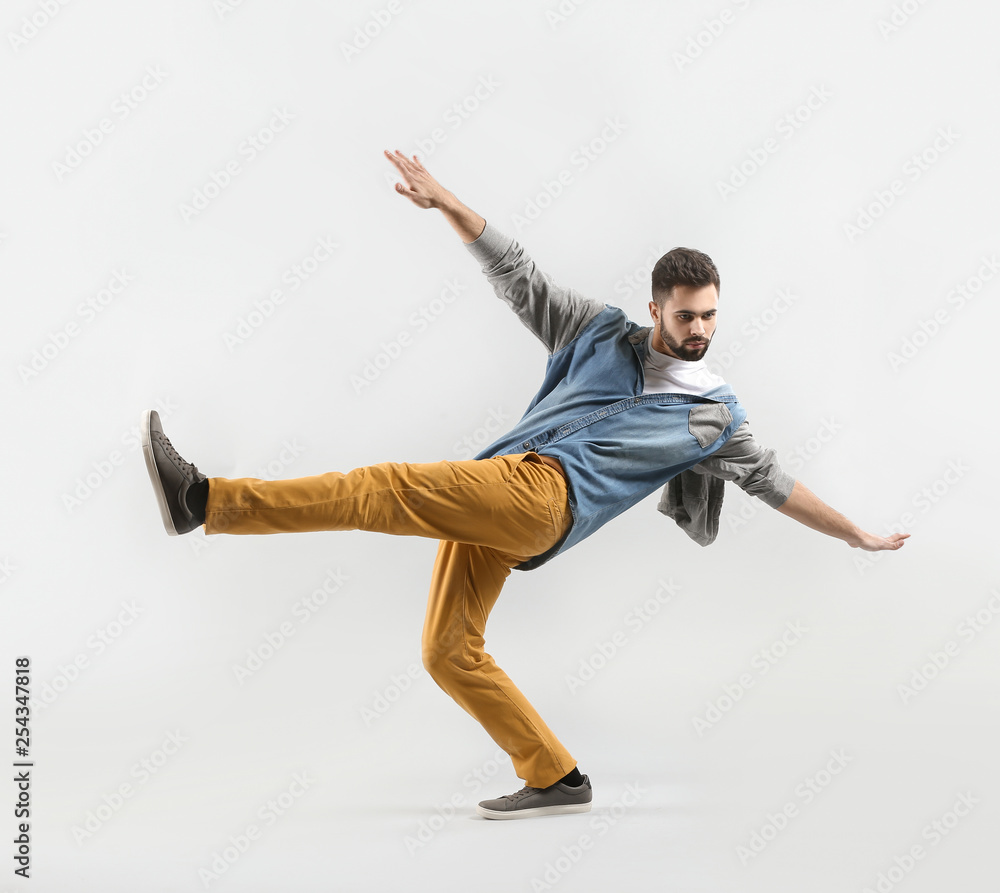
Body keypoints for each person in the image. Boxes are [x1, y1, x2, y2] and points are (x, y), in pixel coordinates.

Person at [140, 149, 910, 821]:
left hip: (546, 498)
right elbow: (521, 276)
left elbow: (776, 483)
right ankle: (554, 774)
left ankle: (205, 500)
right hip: (501, 486)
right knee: (448, 650)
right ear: (655, 310)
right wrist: (446, 203)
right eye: (685, 317)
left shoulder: (715, 415)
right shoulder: (598, 330)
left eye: (709, 315)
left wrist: (858, 533)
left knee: (383, 487)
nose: (700, 328)